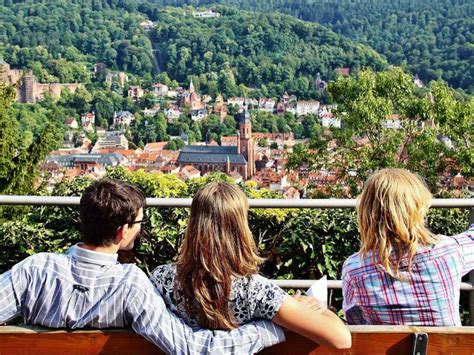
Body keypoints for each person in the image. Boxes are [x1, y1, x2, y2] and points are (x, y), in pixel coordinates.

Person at [0, 179, 286, 354]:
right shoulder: (131, 285)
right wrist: (267, 331)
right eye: (139, 223)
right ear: (123, 232)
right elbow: (192, 349)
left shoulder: (35, 270)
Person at [151, 181, 351, 349]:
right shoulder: (256, 291)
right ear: (240, 229)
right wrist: (312, 307)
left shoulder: (161, 280)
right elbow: (341, 339)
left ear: (193, 225)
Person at [342, 168, 474, 325]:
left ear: (366, 211)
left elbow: (356, 323)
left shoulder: (354, 269)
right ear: (418, 208)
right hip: (448, 350)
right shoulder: (449, 252)